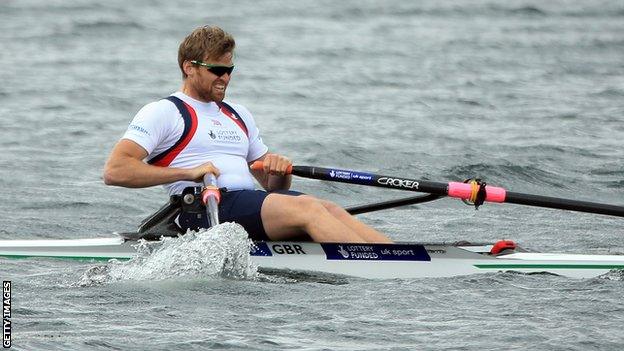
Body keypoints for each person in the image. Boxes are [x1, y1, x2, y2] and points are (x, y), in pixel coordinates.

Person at [103, 25, 392, 244]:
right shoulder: (165, 111)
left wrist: (279, 170)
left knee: (327, 207)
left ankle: (403, 258)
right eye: (217, 70)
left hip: (245, 203)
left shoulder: (237, 114)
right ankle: (374, 266)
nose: (225, 78)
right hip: (202, 208)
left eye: (229, 70)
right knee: (308, 208)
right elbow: (116, 171)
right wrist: (188, 173)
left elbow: (273, 188)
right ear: (189, 68)